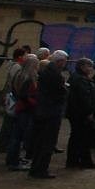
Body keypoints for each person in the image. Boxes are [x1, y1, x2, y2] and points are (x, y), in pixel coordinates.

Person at [28, 49, 68, 179]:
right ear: (60, 61)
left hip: (43, 110)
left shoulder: (47, 71)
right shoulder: (55, 74)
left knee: (41, 141)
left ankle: (36, 168)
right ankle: (41, 169)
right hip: (51, 111)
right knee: (47, 142)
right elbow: (60, 92)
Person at [64, 57, 95, 169]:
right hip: (80, 113)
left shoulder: (78, 77)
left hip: (76, 112)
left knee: (77, 137)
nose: (91, 69)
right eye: (89, 66)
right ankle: (84, 161)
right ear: (82, 67)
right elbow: (84, 97)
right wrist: (89, 112)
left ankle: (74, 160)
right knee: (82, 137)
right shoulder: (80, 79)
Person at [5, 55, 38, 171]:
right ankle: (14, 162)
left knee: (16, 136)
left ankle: (12, 159)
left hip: (19, 107)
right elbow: (25, 95)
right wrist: (35, 102)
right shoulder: (28, 78)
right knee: (18, 136)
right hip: (25, 109)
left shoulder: (19, 75)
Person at [0, 48, 25, 155]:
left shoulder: (13, 66)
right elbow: (15, 83)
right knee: (9, 121)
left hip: (10, 96)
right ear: (20, 56)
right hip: (12, 97)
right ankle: (4, 144)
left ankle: (4, 144)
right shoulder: (16, 67)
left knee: (9, 121)